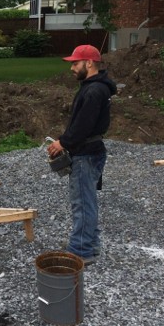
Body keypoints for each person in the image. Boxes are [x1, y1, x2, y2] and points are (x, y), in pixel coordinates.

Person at [47, 44, 117, 265]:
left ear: (89, 63)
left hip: (86, 154)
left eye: (75, 63)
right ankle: (88, 244)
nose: (72, 68)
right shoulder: (93, 87)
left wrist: (63, 142)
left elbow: (83, 126)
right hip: (88, 151)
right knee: (86, 201)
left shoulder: (95, 90)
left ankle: (81, 251)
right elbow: (82, 123)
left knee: (83, 203)